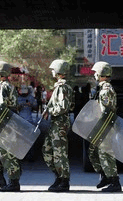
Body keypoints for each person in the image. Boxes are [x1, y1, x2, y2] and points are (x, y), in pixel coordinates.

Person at [88, 61, 122, 192]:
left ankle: (114, 182)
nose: (95, 75)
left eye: (96, 72)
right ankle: (105, 175)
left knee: (106, 153)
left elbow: (106, 111)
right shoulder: (102, 89)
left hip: (105, 127)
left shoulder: (106, 90)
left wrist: (101, 129)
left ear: (101, 74)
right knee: (93, 152)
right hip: (103, 126)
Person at [0, 61, 21, 192]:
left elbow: (0, 107)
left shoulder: (4, 87)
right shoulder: (5, 85)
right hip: (5, 122)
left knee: (7, 153)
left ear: (1, 73)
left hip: (6, 123)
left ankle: (14, 182)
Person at [42, 59, 74, 192]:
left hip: (60, 123)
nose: (52, 71)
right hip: (56, 123)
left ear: (59, 71)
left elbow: (63, 107)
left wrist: (50, 111)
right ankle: (59, 176)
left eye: (53, 69)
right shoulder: (58, 86)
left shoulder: (63, 87)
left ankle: (64, 181)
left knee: (60, 153)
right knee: (47, 150)